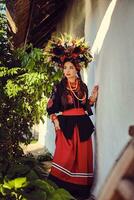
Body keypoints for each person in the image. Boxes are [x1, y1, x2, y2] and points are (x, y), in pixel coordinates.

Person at [45, 34, 99, 199]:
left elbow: (84, 106)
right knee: (65, 156)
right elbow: (50, 107)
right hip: (66, 125)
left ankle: (80, 190)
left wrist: (92, 98)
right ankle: (60, 186)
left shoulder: (83, 86)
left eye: (70, 67)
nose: (67, 71)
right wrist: (55, 121)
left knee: (82, 157)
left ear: (77, 69)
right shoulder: (59, 86)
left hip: (82, 124)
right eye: (65, 67)